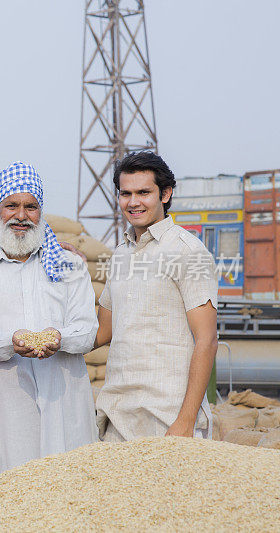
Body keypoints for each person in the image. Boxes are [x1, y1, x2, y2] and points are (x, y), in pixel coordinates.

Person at [0, 161, 98, 475]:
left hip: (64, 406)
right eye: (11, 206)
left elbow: (87, 330)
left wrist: (60, 339)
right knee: (11, 495)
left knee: (70, 492)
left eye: (31, 207)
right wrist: (11, 342)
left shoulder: (67, 264)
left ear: (41, 212)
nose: (21, 216)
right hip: (5, 411)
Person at [95, 151, 218, 441]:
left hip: (168, 420)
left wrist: (186, 422)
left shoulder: (187, 251)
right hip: (119, 416)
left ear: (165, 194)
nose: (133, 202)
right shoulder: (120, 254)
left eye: (143, 192)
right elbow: (103, 331)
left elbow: (207, 339)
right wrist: (52, 338)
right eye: (126, 193)